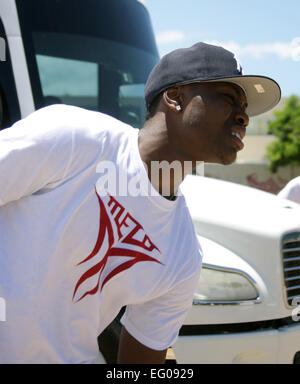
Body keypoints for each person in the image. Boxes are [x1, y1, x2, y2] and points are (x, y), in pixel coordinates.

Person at [0, 42, 281, 364]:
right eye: (230, 100)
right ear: (175, 97)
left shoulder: (183, 254)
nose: (244, 117)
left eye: (245, 109)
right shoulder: (75, 138)